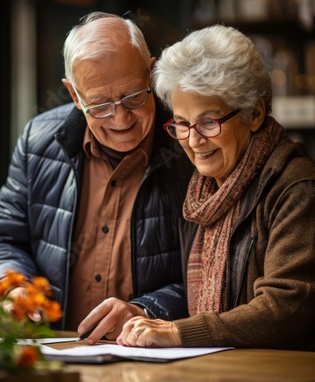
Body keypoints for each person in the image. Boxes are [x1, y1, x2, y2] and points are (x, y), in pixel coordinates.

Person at [0, 11, 195, 337]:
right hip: (55, 354)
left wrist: (146, 310)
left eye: (133, 96)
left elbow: (216, 270)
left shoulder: (191, 148)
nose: (121, 118)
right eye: (100, 105)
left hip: (154, 358)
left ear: (152, 73)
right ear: (74, 95)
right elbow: (2, 239)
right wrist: (16, 288)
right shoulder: (38, 139)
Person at [116, 24, 315, 351]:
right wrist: (140, 311)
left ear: (254, 113)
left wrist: (179, 333)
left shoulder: (295, 185)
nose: (194, 141)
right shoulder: (200, 192)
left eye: (209, 122)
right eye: (182, 124)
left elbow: (287, 307)